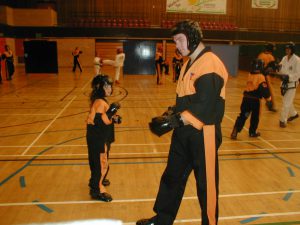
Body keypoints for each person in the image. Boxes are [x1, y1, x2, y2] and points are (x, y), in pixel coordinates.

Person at [137, 20, 228, 225]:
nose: (176, 45)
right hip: (183, 132)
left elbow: (204, 107)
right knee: (172, 177)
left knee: (206, 186)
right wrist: (170, 113)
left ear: (193, 37)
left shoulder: (210, 64)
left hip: (204, 134)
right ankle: (162, 219)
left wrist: (172, 122)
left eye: (179, 39)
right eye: (174, 41)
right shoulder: (189, 62)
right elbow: (185, 98)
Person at [86, 74, 121, 202]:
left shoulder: (99, 100)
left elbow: (102, 118)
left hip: (97, 137)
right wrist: (111, 111)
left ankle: (95, 180)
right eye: (106, 86)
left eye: (110, 86)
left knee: (96, 162)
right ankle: (97, 190)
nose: (109, 89)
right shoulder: (100, 102)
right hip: (99, 138)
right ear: (99, 87)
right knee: (101, 164)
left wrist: (113, 118)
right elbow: (100, 121)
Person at [230, 58, 273, 139]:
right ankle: (252, 132)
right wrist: (269, 99)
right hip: (255, 101)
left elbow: (256, 75)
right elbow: (263, 90)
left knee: (243, 116)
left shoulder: (250, 74)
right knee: (255, 117)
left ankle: (235, 130)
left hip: (246, 99)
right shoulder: (261, 77)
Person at [278, 42, 300, 128]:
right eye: (286, 49)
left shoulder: (297, 60)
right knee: (286, 100)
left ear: (292, 50)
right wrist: (276, 68)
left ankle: (283, 120)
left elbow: (298, 74)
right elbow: (280, 68)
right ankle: (294, 114)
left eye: (289, 49)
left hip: (292, 83)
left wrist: (288, 77)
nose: (287, 50)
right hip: (284, 83)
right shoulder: (284, 58)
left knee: (286, 102)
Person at [257, 42, 278, 111]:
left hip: (258, 76)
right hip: (265, 76)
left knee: (258, 89)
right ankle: (273, 105)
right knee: (270, 90)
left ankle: (265, 102)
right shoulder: (270, 57)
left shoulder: (260, 55)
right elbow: (273, 68)